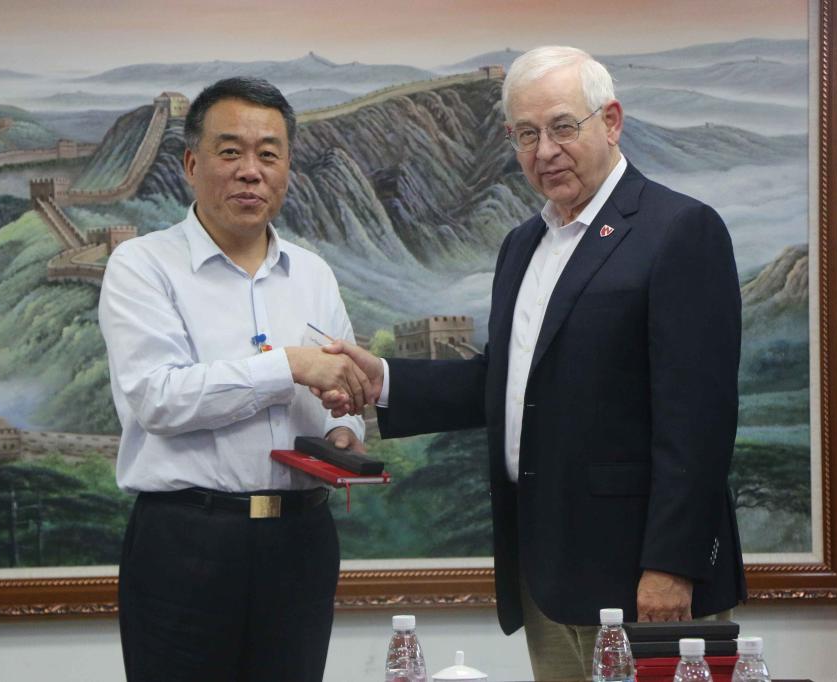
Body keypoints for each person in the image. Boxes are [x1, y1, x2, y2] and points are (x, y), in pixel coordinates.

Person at [321, 46, 747, 680]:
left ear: (611, 121)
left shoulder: (680, 229)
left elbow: (700, 419)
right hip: (546, 575)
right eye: (526, 134)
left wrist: (672, 565)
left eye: (562, 127)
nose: (545, 150)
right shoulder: (524, 245)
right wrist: (381, 380)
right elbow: (507, 381)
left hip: (645, 580)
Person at [98, 76, 371, 682]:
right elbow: (158, 399)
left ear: (287, 169)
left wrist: (345, 430)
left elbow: (344, 390)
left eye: (269, 154)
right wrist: (288, 366)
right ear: (192, 164)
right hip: (187, 541)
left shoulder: (314, 274)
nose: (251, 171)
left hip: (301, 541)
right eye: (231, 152)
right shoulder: (142, 267)